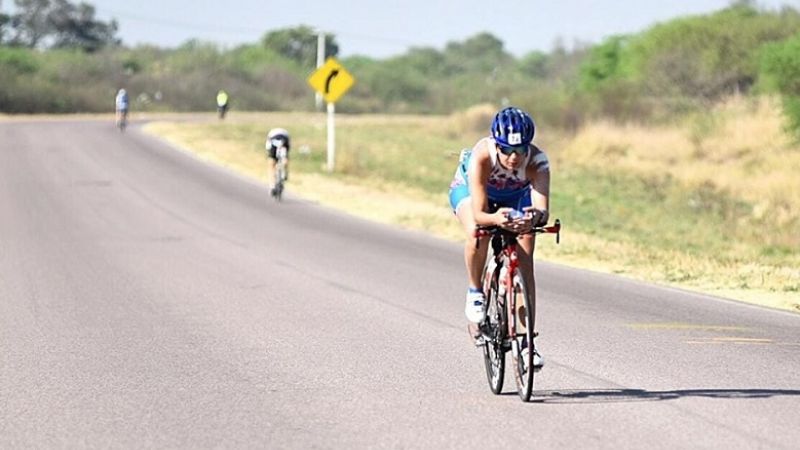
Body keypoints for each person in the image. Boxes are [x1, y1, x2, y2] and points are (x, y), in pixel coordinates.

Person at [447, 106, 550, 369]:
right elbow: (481, 213)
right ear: (497, 145)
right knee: (477, 232)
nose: (514, 157)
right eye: (507, 150)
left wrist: (533, 218)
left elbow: (542, 210)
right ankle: (475, 291)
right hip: (475, 195)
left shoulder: (538, 162)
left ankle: (527, 344)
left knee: (525, 261)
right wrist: (496, 219)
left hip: (515, 197)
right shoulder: (482, 156)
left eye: (521, 150)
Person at [266, 127, 291, 194]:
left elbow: (268, 148)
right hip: (284, 138)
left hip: (273, 139)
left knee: (271, 164)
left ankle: (272, 186)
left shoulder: (271, 134)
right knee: (285, 157)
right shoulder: (285, 133)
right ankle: (284, 172)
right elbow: (288, 146)